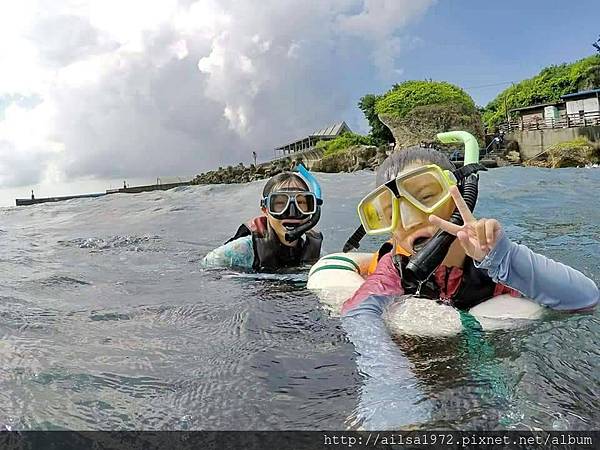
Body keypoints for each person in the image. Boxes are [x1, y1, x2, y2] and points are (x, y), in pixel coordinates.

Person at [342, 146, 599, 317]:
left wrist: (506, 259)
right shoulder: (395, 266)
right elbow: (361, 315)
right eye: (390, 214)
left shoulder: (495, 257)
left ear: (461, 195)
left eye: (427, 196)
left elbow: (585, 298)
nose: (409, 220)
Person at [202, 166, 323, 271]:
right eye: (280, 203)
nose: (292, 212)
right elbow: (207, 267)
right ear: (265, 209)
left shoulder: (317, 254)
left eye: (301, 202)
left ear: (312, 209)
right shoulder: (242, 251)